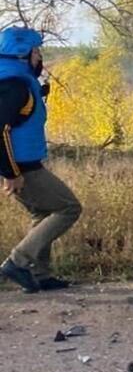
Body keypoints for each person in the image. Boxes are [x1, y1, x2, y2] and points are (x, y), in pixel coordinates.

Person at [0, 26, 82, 292]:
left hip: (22, 163)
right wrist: (11, 173)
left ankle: (40, 275)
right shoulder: (14, 86)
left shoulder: (15, 80)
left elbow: (19, 117)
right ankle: (17, 262)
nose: (40, 58)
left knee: (43, 212)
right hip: (22, 167)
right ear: (24, 55)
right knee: (68, 208)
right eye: (37, 52)